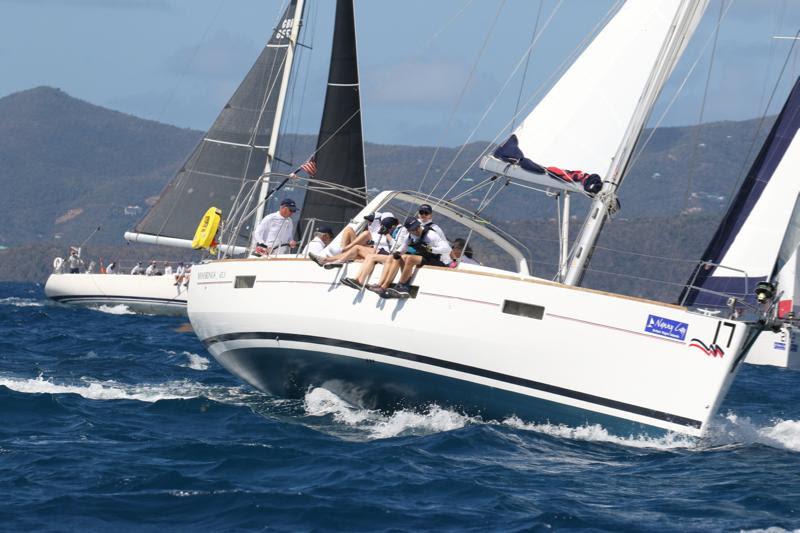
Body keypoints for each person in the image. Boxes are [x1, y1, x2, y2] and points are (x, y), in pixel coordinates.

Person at [341, 216, 451, 298]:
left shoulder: (431, 235)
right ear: (409, 230)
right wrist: (397, 253)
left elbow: (447, 248)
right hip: (421, 257)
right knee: (396, 257)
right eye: (414, 229)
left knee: (408, 258)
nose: (417, 230)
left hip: (433, 259)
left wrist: (432, 249)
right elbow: (403, 248)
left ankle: (403, 286)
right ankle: (383, 286)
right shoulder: (410, 236)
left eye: (417, 227)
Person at [309, 215, 399, 269]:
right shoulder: (379, 232)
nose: (369, 223)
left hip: (381, 254)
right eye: (368, 221)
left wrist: (387, 234)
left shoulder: (390, 233)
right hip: (372, 250)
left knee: (361, 241)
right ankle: (342, 252)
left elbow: (396, 248)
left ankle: (329, 258)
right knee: (349, 230)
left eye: (371, 221)